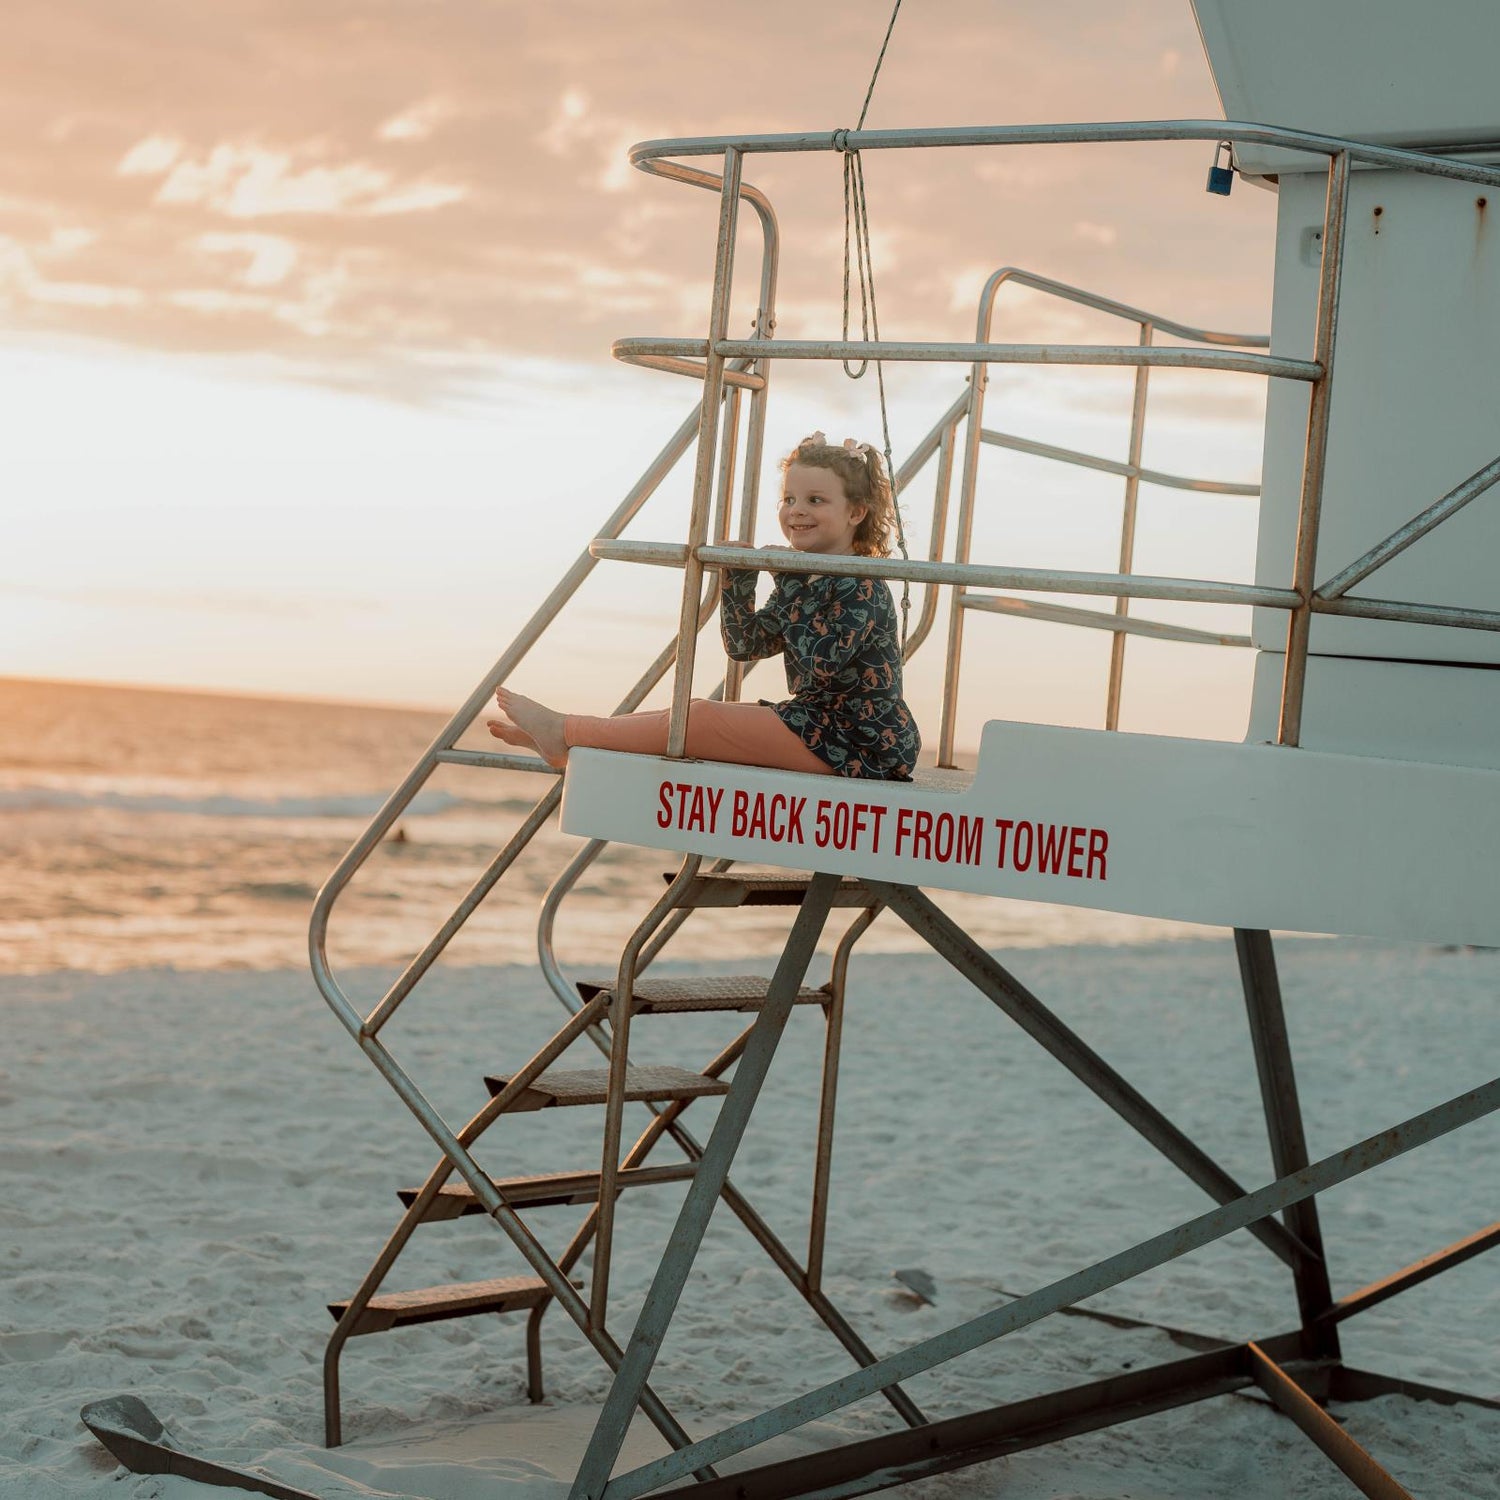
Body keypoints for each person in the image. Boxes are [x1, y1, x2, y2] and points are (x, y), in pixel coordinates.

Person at [487, 432, 920, 780]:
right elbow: (744, 645)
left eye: (815, 500)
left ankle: (567, 731)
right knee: (688, 714)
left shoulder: (860, 585)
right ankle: (573, 738)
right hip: (819, 724)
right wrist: (738, 581)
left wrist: (788, 584)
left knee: (702, 719)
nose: (796, 512)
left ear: (856, 513)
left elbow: (818, 665)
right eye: (788, 499)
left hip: (863, 743)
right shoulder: (807, 577)